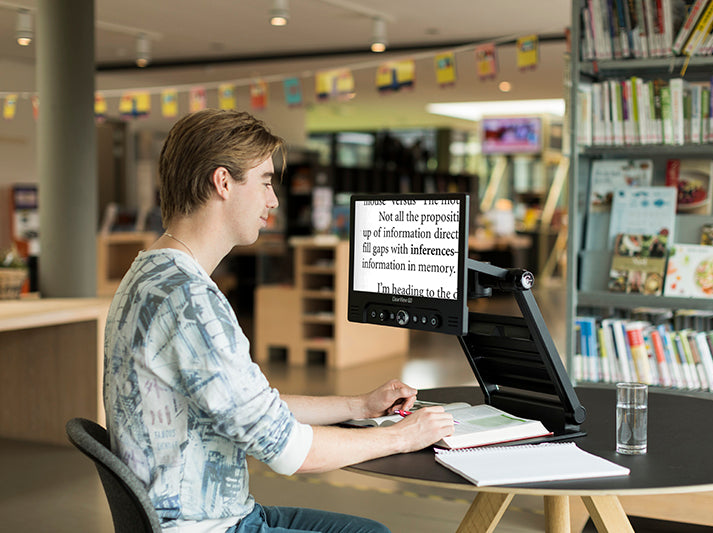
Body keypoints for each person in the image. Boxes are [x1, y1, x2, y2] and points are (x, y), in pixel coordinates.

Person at [103, 109, 455, 533]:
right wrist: (402, 437)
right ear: (223, 182)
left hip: (213, 512)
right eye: (266, 182)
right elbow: (290, 451)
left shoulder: (150, 274)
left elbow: (256, 408)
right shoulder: (191, 302)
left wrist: (359, 406)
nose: (273, 200)